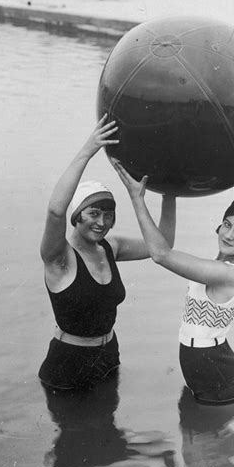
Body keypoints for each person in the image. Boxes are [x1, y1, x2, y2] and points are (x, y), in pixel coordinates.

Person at [112, 136, 234, 405]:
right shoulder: (231, 257)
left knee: (199, 446)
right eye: (227, 224)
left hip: (215, 370)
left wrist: (137, 198)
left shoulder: (226, 273)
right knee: (198, 439)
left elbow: (160, 254)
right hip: (208, 362)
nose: (229, 234)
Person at [38, 115, 176, 391]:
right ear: (77, 215)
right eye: (93, 213)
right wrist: (89, 149)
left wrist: (167, 192)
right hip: (68, 364)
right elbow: (55, 211)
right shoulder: (59, 257)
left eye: (108, 215)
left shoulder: (110, 247)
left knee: (110, 428)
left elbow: (163, 245)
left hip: (109, 356)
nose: (101, 222)